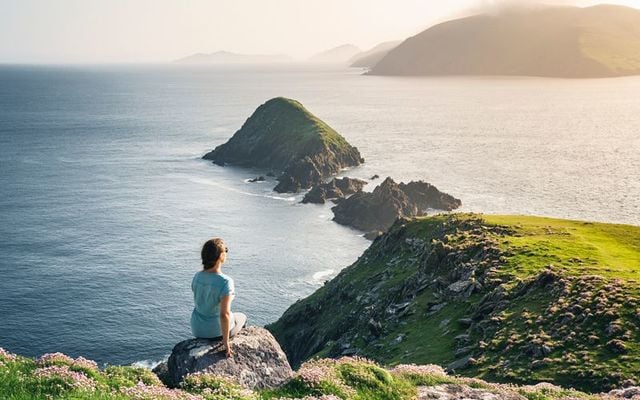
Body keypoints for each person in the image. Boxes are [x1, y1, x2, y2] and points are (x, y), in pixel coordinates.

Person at [190, 237, 247, 357]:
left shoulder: (197, 277)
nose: (226, 253)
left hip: (197, 329)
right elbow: (224, 314)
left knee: (234, 316)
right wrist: (225, 343)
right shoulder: (226, 282)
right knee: (242, 317)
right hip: (215, 331)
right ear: (220, 256)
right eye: (225, 250)